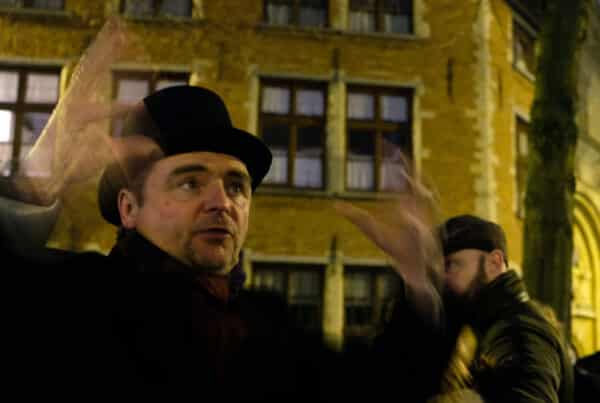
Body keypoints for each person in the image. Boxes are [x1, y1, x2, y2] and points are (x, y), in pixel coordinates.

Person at [1, 85, 447, 401]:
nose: (222, 203)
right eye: (189, 183)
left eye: (236, 186)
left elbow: (382, 388)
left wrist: (418, 283)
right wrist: (34, 184)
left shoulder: (264, 329)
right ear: (129, 208)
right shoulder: (74, 301)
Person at [436, 214, 574, 403]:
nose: (444, 278)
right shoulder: (484, 325)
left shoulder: (520, 330)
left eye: (452, 265)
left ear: (494, 263)